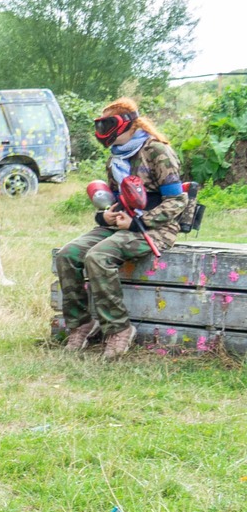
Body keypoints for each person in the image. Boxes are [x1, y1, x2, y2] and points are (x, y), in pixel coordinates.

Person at [56, 98, 190, 358]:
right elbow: (117, 199)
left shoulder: (156, 151)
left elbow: (176, 201)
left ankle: (119, 329)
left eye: (107, 124)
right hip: (122, 224)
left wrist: (140, 222)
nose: (102, 131)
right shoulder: (115, 158)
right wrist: (106, 216)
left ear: (127, 124)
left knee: (98, 256)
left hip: (155, 229)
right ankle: (81, 323)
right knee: (67, 255)